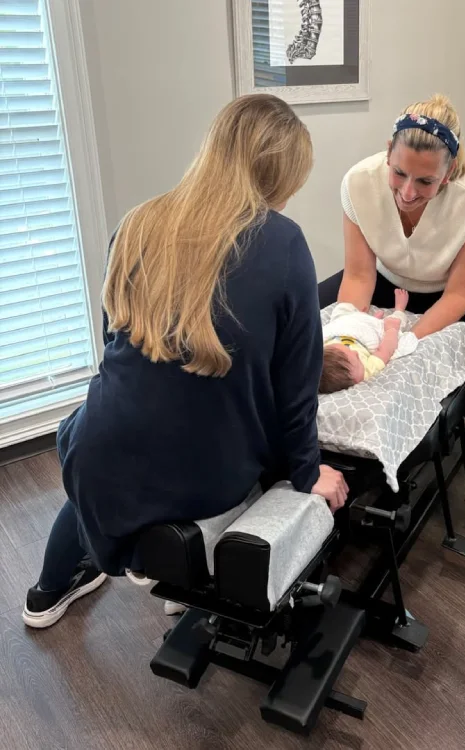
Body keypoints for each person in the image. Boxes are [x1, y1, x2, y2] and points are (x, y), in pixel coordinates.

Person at [23, 94, 348, 629]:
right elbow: (296, 394)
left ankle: (46, 591)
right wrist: (309, 472)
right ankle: (183, 583)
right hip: (199, 480)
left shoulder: (136, 223)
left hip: (92, 455)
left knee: (108, 456)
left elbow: (119, 352)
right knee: (249, 448)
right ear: (279, 176)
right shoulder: (283, 242)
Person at [318, 94, 465, 566]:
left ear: (449, 172)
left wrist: (406, 342)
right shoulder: (358, 183)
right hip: (387, 276)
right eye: (399, 173)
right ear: (388, 152)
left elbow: (461, 296)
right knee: (290, 323)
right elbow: (360, 276)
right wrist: (346, 329)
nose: (407, 190)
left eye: (425, 181)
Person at [319, 288, 416, 393]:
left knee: (341, 309)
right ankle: (400, 308)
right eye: (357, 357)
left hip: (346, 328)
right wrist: (391, 329)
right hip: (368, 337)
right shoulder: (367, 370)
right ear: (357, 380)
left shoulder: (325, 356)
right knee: (396, 323)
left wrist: (357, 319)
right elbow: (385, 350)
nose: (355, 351)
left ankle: (364, 318)